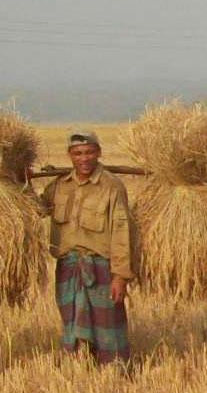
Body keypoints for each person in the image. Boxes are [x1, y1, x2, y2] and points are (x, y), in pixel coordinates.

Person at [40, 131, 137, 365]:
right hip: (68, 266)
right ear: (70, 156)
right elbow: (37, 209)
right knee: (71, 322)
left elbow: (123, 233)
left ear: (99, 153)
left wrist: (120, 276)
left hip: (101, 267)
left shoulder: (112, 187)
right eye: (78, 153)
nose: (84, 158)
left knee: (108, 327)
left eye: (89, 152)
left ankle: (114, 371)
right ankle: (78, 368)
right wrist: (18, 181)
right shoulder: (59, 186)